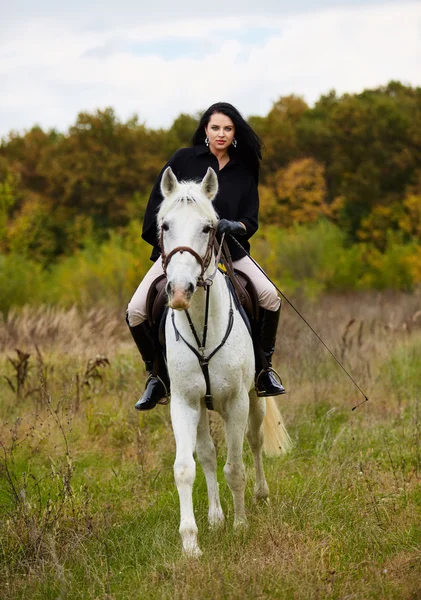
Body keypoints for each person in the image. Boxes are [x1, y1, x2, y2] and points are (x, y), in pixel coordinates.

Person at [126, 102, 286, 410]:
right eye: (215, 128)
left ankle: (264, 371)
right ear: (205, 130)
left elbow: (250, 220)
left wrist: (233, 225)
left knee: (269, 297)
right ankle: (156, 378)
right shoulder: (183, 159)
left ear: (235, 133)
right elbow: (156, 208)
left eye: (228, 128)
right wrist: (168, 250)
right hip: (180, 254)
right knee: (134, 311)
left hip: (230, 251)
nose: (221, 134)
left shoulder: (244, 170)